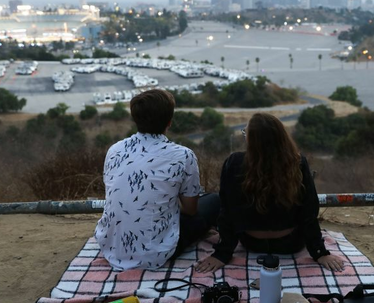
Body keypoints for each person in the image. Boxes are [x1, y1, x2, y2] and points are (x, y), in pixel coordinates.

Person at [196, 113, 345, 273]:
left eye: (246, 134)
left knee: (214, 201)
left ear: (252, 140)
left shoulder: (234, 163)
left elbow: (228, 210)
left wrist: (222, 254)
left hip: (252, 243)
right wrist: (319, 253)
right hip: (291, 244)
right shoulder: (297, 162)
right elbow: (309, 210)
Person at [94, 89, 219, 270]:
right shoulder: (183, 155)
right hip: (155, 253)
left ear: (135, 118)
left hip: (111, 246)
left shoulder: (115, 150)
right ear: (169, 122)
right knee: (213, 201)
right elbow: (191, 210)